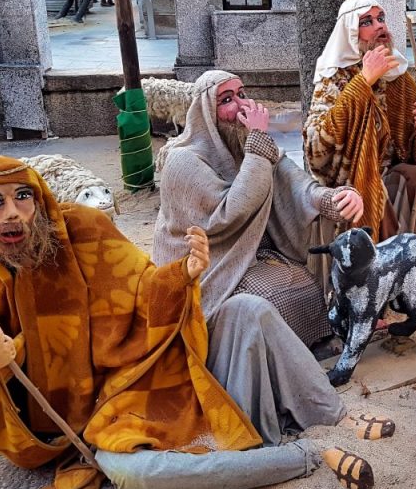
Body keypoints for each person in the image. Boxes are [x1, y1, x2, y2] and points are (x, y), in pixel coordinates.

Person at [0, 155, 378, 489]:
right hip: (109, 418)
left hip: (163, 374)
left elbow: (143, 287)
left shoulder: (85, 229)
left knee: (249, 309)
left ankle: (333, 418)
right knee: (139, 476)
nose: (12, 212)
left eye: (23, 196)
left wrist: (181, 277)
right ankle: (301, 458)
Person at [154, 70, 364, 348]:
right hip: (211, 264)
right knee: (269, 297)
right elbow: (232, 212)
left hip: (252, 253)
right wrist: (257, 144)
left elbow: (293, 181)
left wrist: (332, 199)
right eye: (227, 99)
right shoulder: (183, 160)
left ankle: (299, 353)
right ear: (205, 113)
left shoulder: (249, 145)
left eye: (242, 94)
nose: (241, 104)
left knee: (307, 285)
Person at [304, 0, 416, 239]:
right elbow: (315, 150)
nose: (379, 26)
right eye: (367, 21)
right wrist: (363, 82)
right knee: (372, 188)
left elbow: (412, 147)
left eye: (381, 18)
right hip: (351, 184)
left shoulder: (397, 77)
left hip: (388, 174)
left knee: (414, 176)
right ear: (350, 32)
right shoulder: (333, 79)